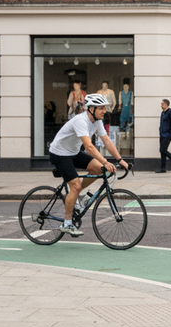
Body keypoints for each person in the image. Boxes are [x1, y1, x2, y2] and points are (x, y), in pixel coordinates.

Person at [48, 93, 130, 236]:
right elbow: (89, 147)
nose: (104, 111)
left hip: (73, 152)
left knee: (100, 170)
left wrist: (119, 159)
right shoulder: (81, 121)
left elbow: (107, 141)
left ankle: (79, 196)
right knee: (76, 185)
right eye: (101, 108)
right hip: (59, 154)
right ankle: (67, 223)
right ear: (91, 109)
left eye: (105, 108)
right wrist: (105, 161)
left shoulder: (97, 121)